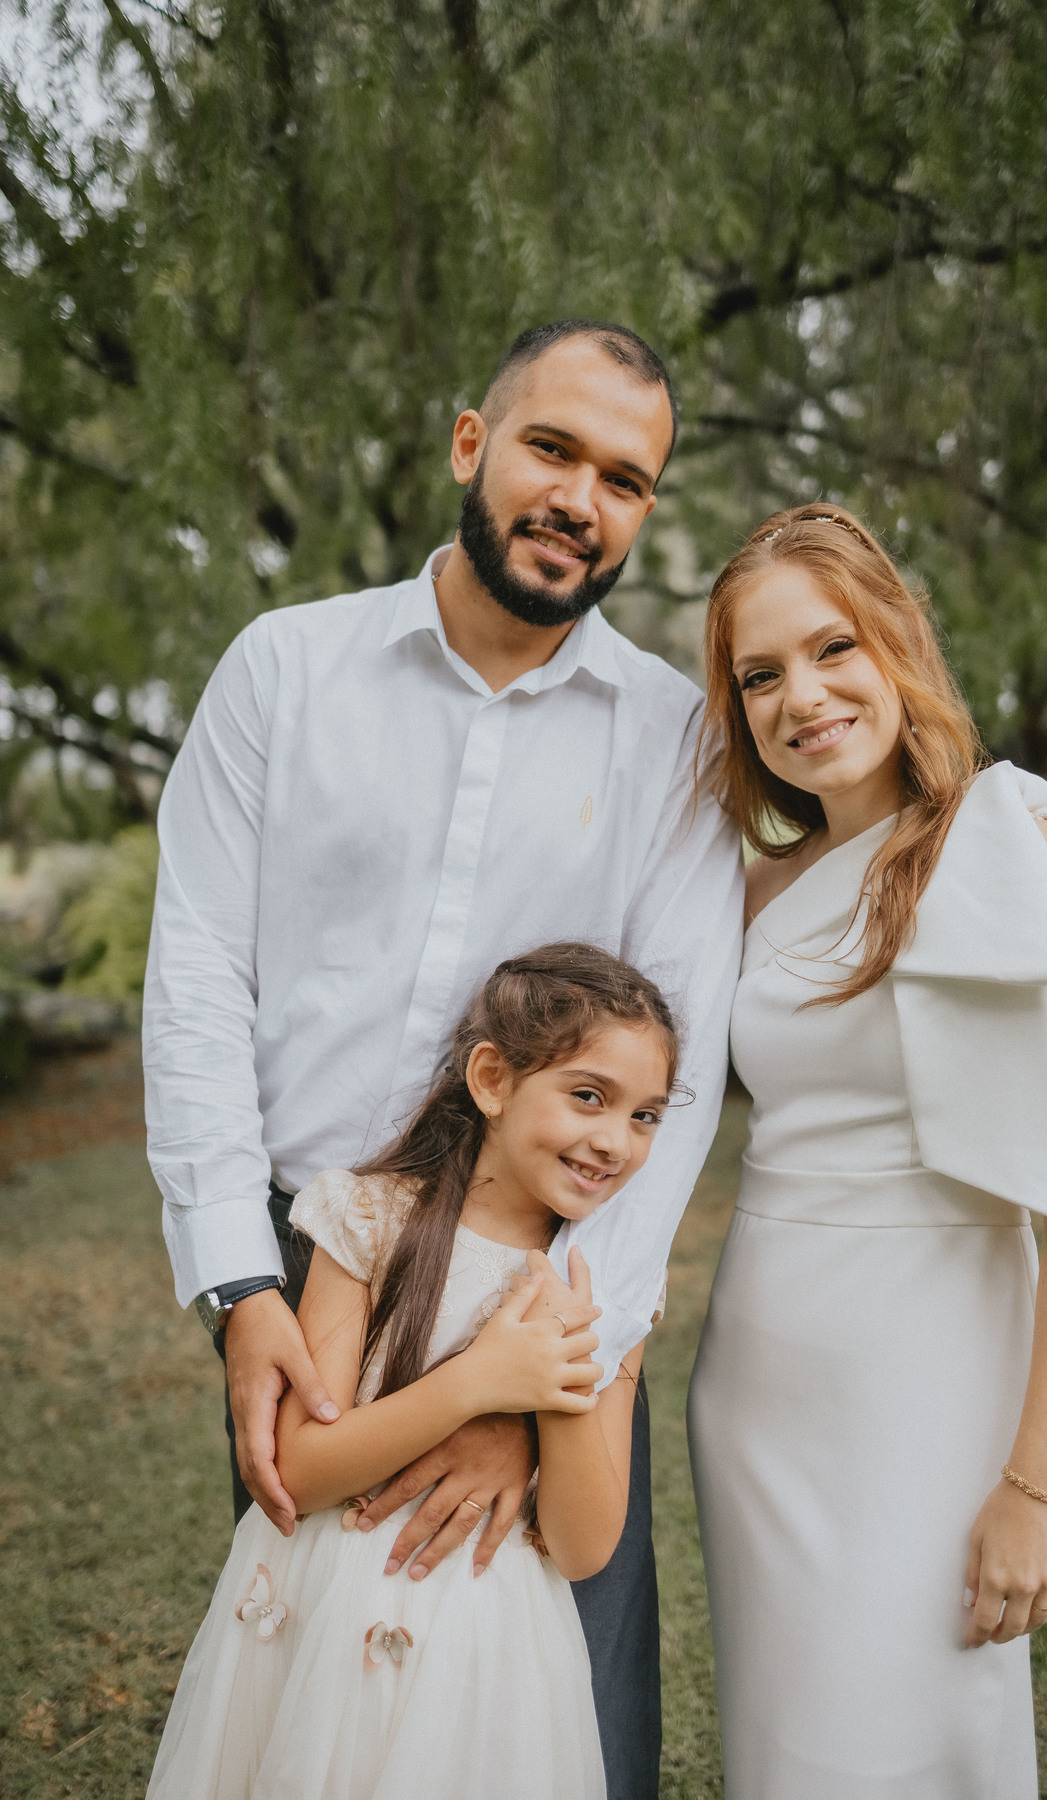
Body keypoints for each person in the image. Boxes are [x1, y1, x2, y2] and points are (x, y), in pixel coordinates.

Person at [142, 320, 744, 1800]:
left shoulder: (674, 740)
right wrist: (237, 1288)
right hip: (310, 1282)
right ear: (472, 443)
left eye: (625, 479)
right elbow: (200, 976)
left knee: (561, 1713)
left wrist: (548, 1390)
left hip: (549, 1293)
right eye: (553, 449)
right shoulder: (285, 670)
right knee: (313, 1668)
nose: (581, 500)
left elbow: (680, 1072)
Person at [686, 502, 1047, 1799]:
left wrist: (1039, 1487)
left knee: (898, 1739)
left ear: (897, 642)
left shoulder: (1018, 848)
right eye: (760, 675)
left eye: (832, 648)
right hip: (756, 1390)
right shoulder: (757, 889)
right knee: (787, 1753)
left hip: (927, 1392)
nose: (803, 697)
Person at [147, 944, 679, 1800]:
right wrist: (477, 1383)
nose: (616, 1141)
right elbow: (299, 1472)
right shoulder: (369, 1218)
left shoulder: (609, 1285)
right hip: (327, 1610)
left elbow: (583, 1549)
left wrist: (563, 1370)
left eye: (646, 1115)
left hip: (486, 1639)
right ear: (493, 1079)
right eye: (588, 1096)